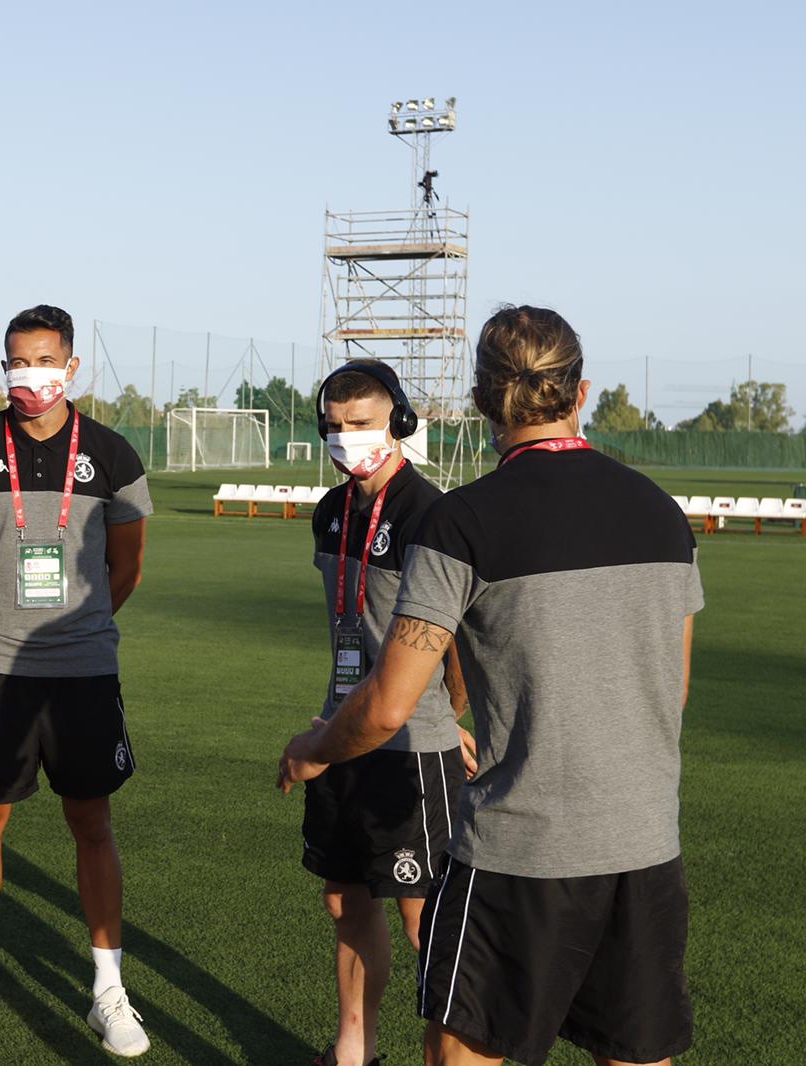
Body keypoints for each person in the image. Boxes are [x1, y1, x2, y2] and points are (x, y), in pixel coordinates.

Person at [279, 305, 701, 1066]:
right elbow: (672, 689)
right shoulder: (661, 513)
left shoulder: (463, 521)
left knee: (464, 1050)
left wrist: (313, 748)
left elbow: (387, 707)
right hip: (645, 846)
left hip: (519, 851)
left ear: (479, 401)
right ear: (583, 391)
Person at [0, 305, 153, 1057]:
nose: (28, 375)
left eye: (43, 361)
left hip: (82, 670)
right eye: (16, 362)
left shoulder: (111, 454)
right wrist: (1, 623)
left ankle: (108, 991)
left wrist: (74, 626)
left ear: (72, 368)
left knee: (91, 825)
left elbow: (126, 569)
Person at [302, 359, 476, 1066]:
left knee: (425, 919)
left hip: (412, 745)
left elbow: (462, 642)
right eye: (335, 428)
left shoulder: (431, 513)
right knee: (345, 901)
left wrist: (450, 716)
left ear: (399, 423)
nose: (348, 440)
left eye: (363, 425)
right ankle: (355, 1055)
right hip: (341, 731)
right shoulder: (329, 511)